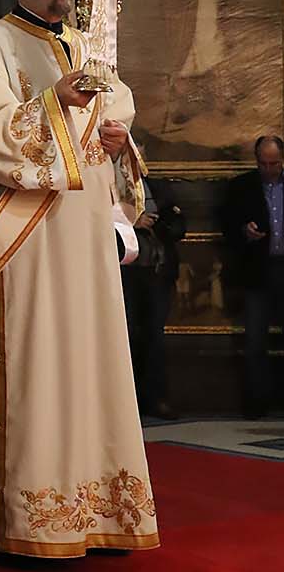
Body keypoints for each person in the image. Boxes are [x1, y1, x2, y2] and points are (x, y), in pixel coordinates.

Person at [0, 0, 159, 558]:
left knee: (91, 363)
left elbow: (113, 129)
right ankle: (31, 518)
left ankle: (96, 504)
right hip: (31, 245)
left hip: (86, 242)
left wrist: (121, 145)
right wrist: (53, 102)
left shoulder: (86, 47)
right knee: (38, 367)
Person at [223, 135, 284, 418]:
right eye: (263, 164)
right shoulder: (242, 186)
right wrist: (244, 232)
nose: (268, 169)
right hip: (258, 269)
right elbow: (227, 225)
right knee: (255, 341)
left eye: (274, 164)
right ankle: (257, 403)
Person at [121, 176, 184, 419]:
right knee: (127, 336)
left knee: (154, 336)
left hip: (157, 272)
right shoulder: (109, 185)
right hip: (124, 273)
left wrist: (160, 225)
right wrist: (131, 222)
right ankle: (127, 402)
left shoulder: (158, 187)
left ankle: (156, 398)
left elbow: (179, 227)